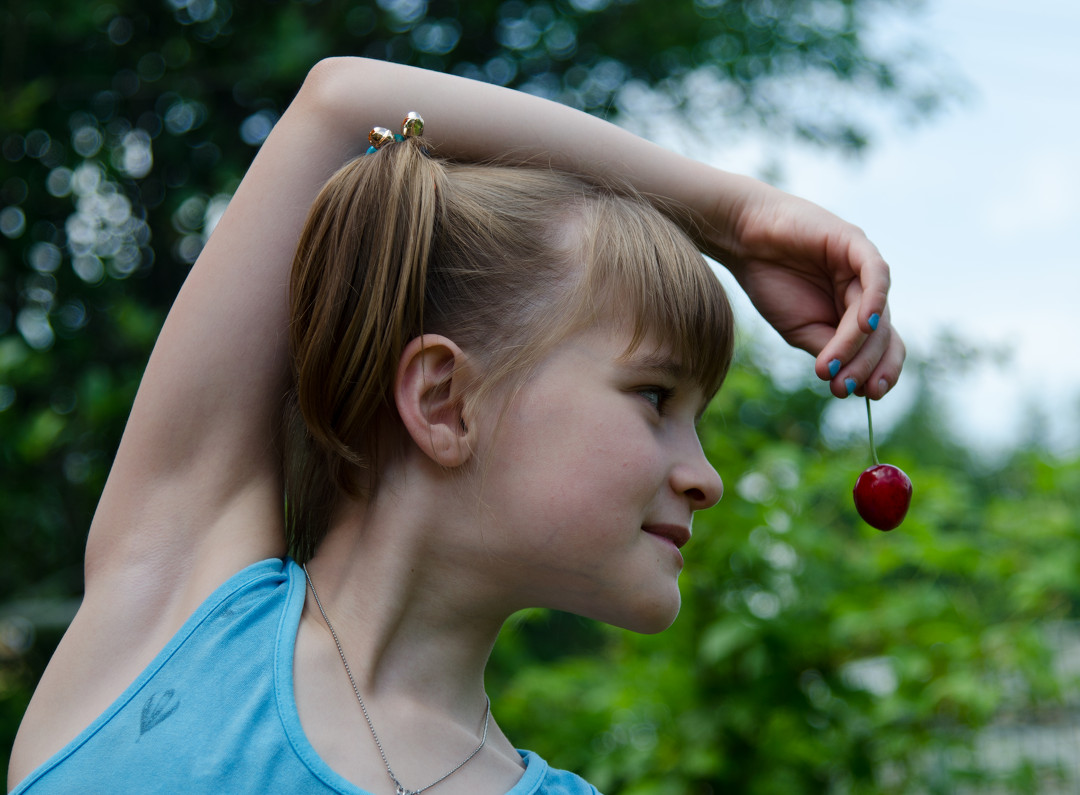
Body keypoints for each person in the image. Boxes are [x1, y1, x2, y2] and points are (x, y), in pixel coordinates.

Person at [7, 57, 904, 794]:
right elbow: (342, 105)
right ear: (443, 398)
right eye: (656, 397)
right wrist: (732, 218)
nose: (706, 476)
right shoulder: (176, 611)